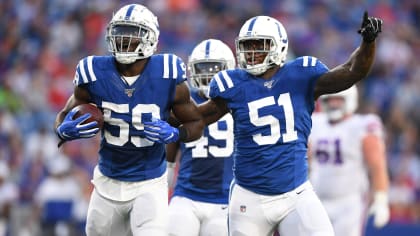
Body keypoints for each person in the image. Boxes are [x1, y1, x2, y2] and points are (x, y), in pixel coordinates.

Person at [197, 12, 383, 236]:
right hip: (249, 196)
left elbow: (353, 71)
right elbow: (198, 118)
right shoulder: (233, 84)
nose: (252, 52)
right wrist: (167, 116)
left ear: (279, 47)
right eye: (247, 45)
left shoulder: (301, 74)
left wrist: (368, 42)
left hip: (295, 194)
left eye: (260, 45)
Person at [54, 4, 204, 236]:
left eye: (132, 34)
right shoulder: (93, 71)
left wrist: (177, 134)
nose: (124, 39)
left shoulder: (167, 72)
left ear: (150, 38)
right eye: (120, 32)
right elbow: (63, 115)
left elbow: (196, 124)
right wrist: (63, 130)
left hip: (149, 182)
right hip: (107, 181)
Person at [166, 39, 236, 236]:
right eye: (202, 69)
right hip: (186, 196)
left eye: (214, 69)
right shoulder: (182, 103)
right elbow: (169, 159)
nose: (207, 75)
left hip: (226, 199)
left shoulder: (238, 103)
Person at [308, 86, 390, 236]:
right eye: (329, 100)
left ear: (350, 99)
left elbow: (377, 164)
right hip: (317, 199)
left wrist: (381, 198)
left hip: (349, 203)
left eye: (338, 99)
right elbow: (303, 162)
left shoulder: (362, 124)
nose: (333, 104)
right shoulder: (315, 122)